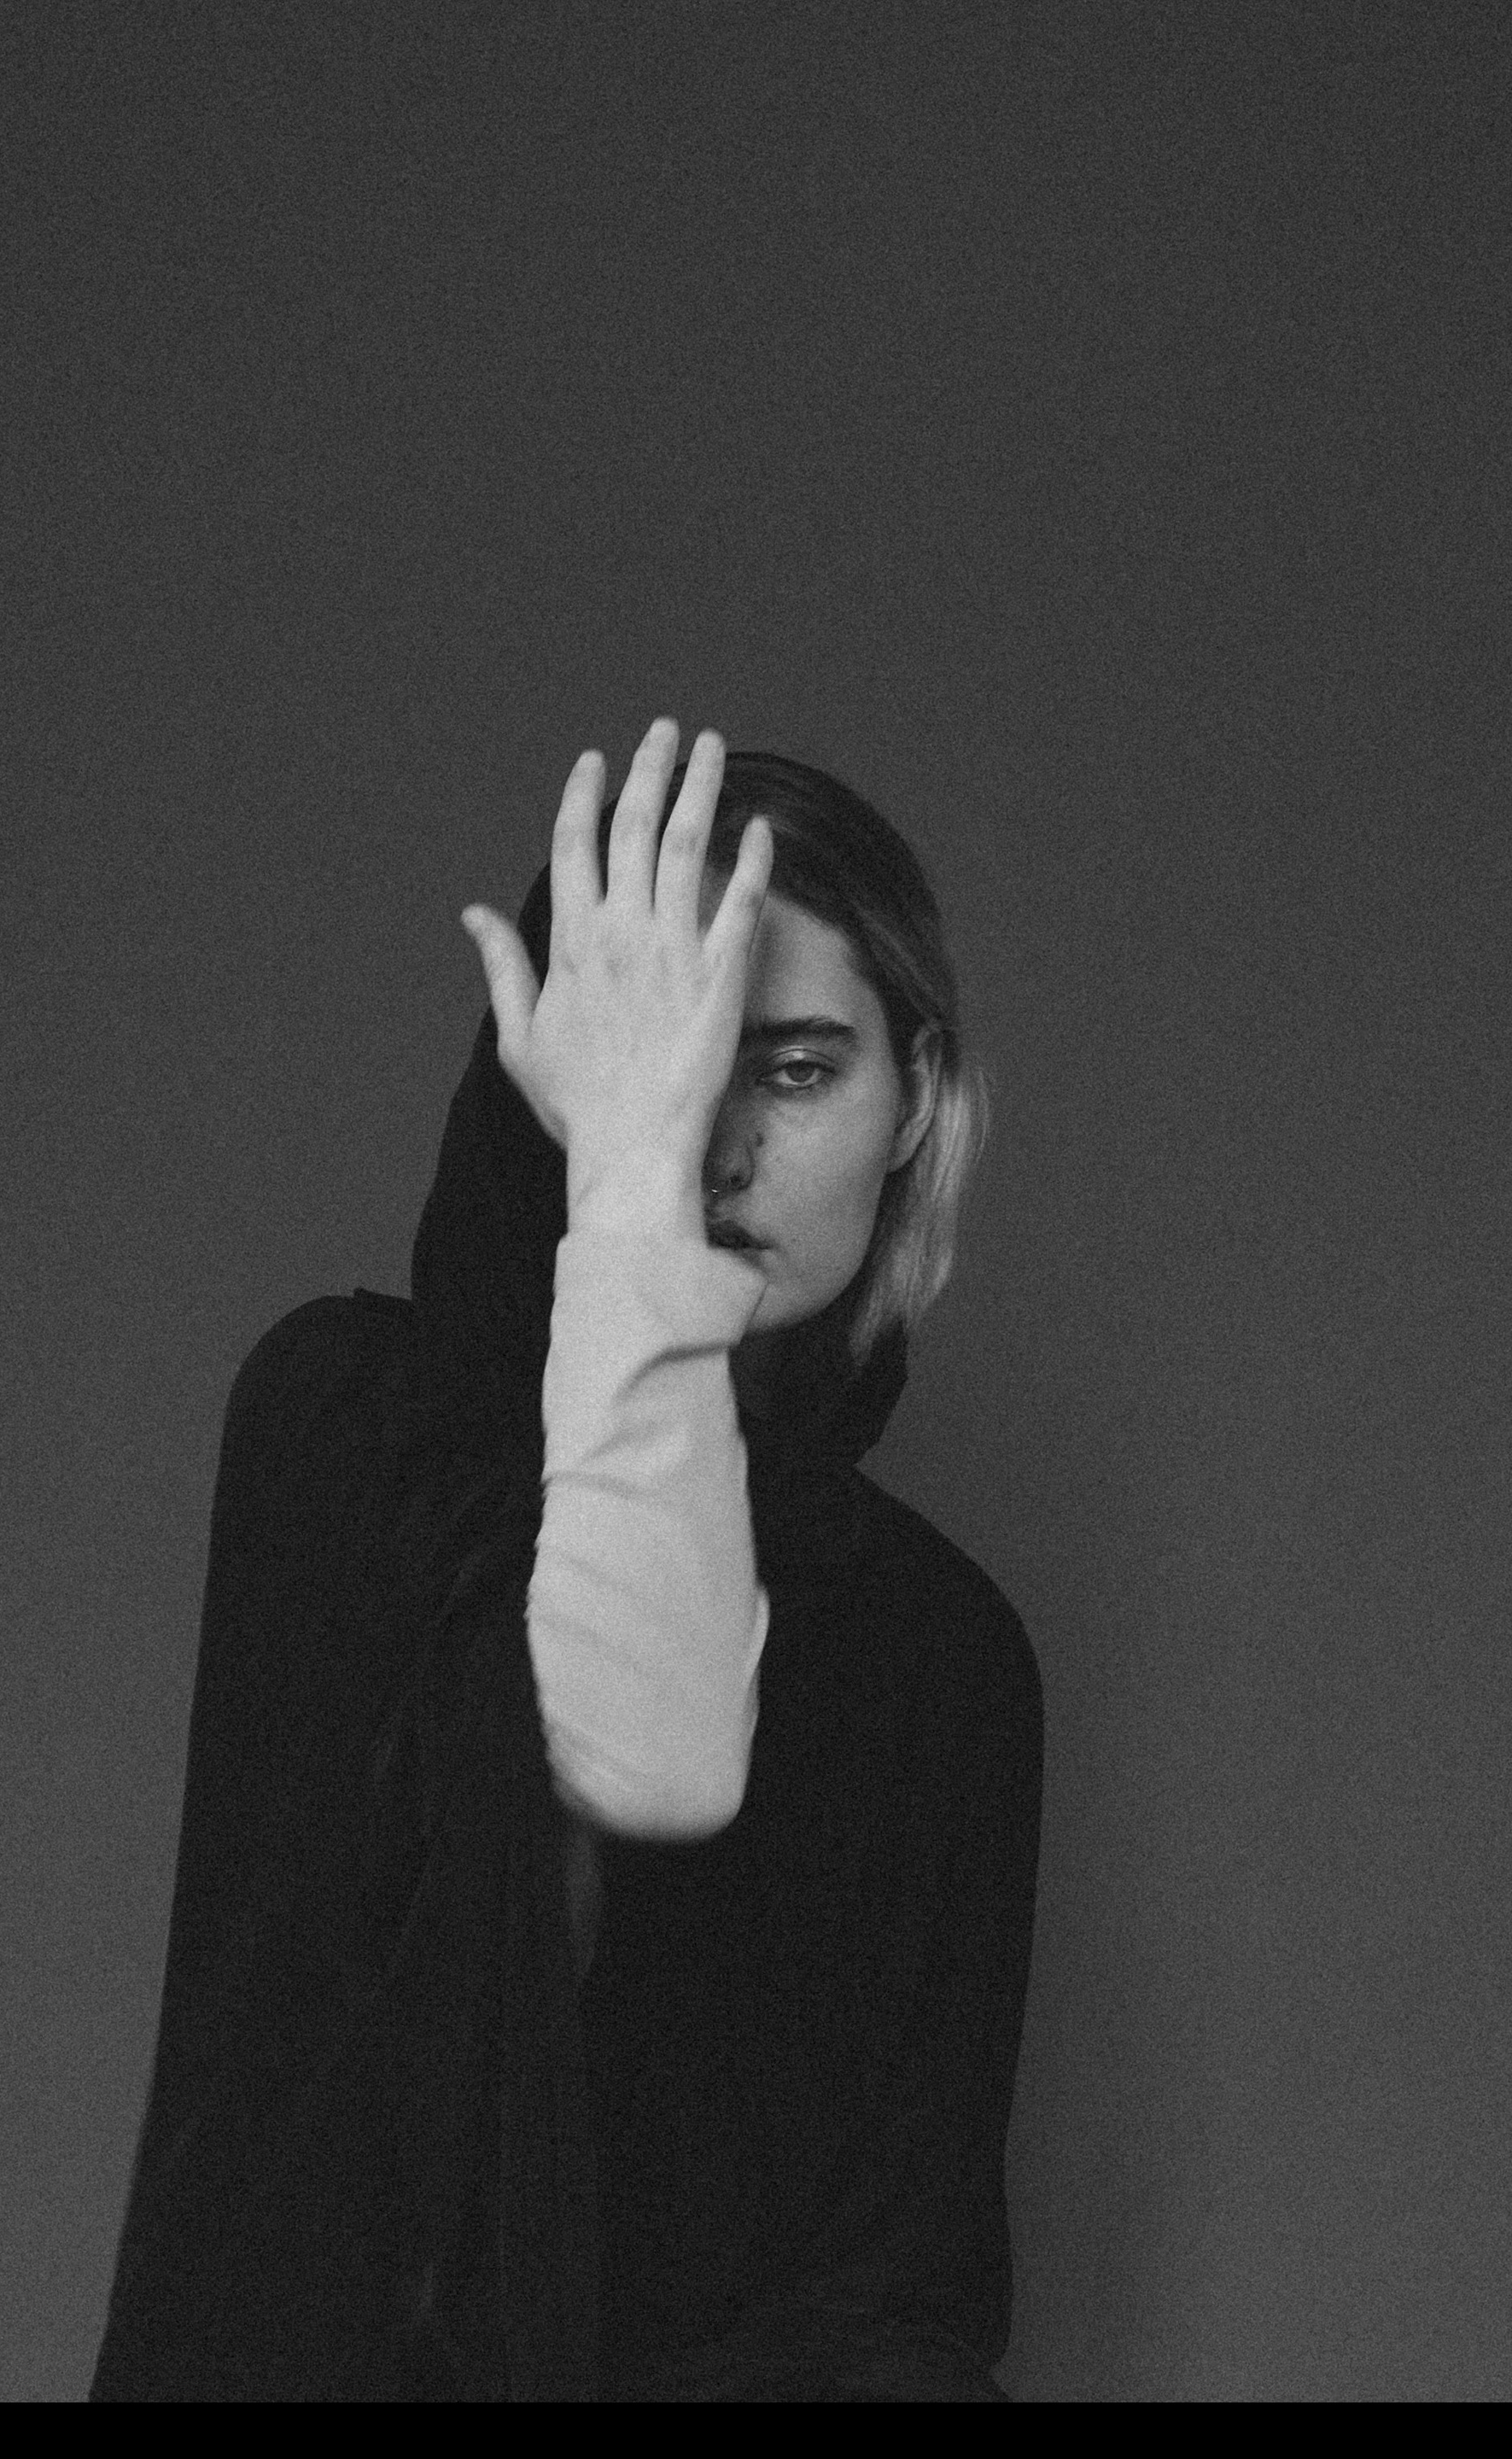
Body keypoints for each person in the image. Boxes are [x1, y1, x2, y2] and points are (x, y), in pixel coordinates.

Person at [88, 719, 1042, 2402]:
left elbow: (907, 2300)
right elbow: (648, 1751)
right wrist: (625, 1196)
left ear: (914, 1104)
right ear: (556, 1075)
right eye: (666, 1065)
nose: (715, 1146)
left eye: (795, 1071)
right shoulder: (348, 1428)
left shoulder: (942, 1652)